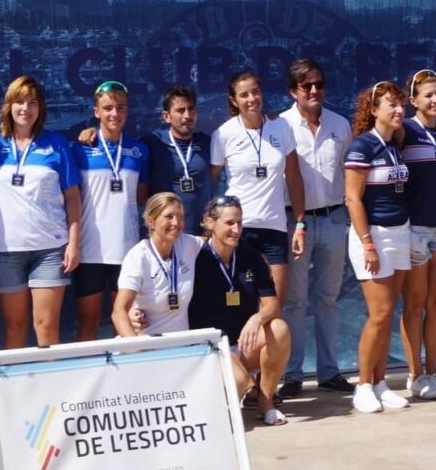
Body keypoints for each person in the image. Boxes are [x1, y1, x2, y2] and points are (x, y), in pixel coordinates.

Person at [0, 75, 81, 348]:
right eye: (19, 102)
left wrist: (73, 243)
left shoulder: (56, 144)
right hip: (6, 250)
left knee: (47, 328)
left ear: (40, 109)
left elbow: (73, 197)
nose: (25, 108)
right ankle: (15, 391)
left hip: (50, 250)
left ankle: (49, 390)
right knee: (14, 329)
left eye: (32, 102)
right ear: (9, 106)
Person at [278, 58, 353, 398]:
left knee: (328, 300)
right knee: (294, 301)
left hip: (335, 218)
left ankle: (328, 371)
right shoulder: (280, 126)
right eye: (305, 85)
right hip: (297, 221)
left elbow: (350, 173)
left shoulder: (340, 124)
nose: (313, 91)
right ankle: (292, 374)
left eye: (318, 84)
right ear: (293, 90)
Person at [187, 195, 291, 425]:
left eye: (240, 223)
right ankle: (214, 409)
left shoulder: (250, 256)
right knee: (239, 381)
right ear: (209, 222)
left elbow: (272, 304)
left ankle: (265, 403)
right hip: (212, 346)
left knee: (279, 328)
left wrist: (257, 318)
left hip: (243, 344)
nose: (236, 229)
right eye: (229, 223)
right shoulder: (194, 257)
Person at [343, 81, 413, 414]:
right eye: (391, 105)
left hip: (401, 233)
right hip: (373, 237)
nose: (399, 110)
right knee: (379, 314)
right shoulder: (361, 147)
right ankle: (363, 385)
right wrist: (367, 243)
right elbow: (352, 198)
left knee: (389, 315)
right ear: (373, 109)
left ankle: (382, 382)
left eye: (401, 105)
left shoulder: (394, 144)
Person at [210, 70, 305, 304]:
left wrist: (300, 223)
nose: (252, 99)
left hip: (275, 228)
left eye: (255, 92)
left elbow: (293, 177)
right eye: (244, 95)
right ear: (234, 100)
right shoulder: (223, 134)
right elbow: (209, 182)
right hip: (238, 231)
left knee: (273, 307)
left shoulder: (281, 126)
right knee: (239, 306)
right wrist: (212, 225)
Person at [398, 68, 436, 400]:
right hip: (415, 228)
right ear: (413, 101)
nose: (435, 99)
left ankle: (433, 375)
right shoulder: (405, 131)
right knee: (416, 303)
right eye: (428, 95)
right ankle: (414, 374)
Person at [70, 80, 149, 342]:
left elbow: (142, 197)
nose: (114, 114)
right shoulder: (80, 148)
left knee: (124, 323)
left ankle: (124, 382)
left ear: (127, 111)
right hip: (89, 249)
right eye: (107, 108)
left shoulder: (140, 151)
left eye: (120, 108)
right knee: (87, 323)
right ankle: (86, 381)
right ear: (96, 112)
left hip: (126, 249)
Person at [113, 192, 205, 336]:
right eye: (169, 217)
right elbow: (119, 312)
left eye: (180, 217)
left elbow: (219, 240)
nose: (176, 223)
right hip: (148, 346)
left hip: (182, 347)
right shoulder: (138, 256)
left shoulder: (189, 244)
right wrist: (136, 349)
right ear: (151, 221)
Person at [141, 86, 211, 234]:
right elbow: (118, 147)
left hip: (201, 235)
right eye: (180, 110)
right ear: (166, 116)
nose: (187, 115)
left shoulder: (208, 143)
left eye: (191, 109)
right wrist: (92, 133)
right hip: (165, 235)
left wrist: (267, 118)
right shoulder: (152, 143)